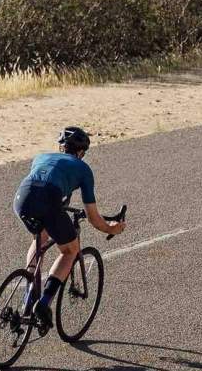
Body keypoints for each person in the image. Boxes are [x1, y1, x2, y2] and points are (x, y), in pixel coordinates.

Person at [13, 126, 125, 331]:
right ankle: (43, 303)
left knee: (40, 238)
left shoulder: (41, 157)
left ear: (61, 147)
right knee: (70, 250)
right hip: (48, 200)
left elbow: (48, 186)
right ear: (81, 152)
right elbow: (93, 218)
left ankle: (30, 291)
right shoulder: (83, 169)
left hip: (22, 198)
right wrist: (111, 229)